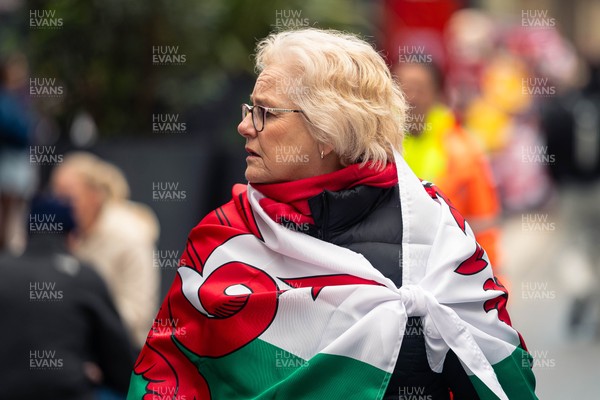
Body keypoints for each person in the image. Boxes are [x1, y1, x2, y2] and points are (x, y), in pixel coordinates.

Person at [128, 28, 536, 400]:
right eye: (249, 109)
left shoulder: (437, 231)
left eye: (265, 113)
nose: (245, 127)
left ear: (328, 131)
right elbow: (164, 375)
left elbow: (501, 370)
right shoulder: (221, 237)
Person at [0, 195, 134, 399]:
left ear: (26, 233)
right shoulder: (84, 276)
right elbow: (120, 360)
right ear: (72, 236)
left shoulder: (4, 269)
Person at [394, 61, 503, 269]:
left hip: (450, 271)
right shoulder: (377, 148)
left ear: (437, 95)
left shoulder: (465, 151)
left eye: (418, 88)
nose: (410, 97)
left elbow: (484, 221)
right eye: (401, 89)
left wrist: (492, 284)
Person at [51, 152, 160, 349]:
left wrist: (80, 316)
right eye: (55, 195)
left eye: (67, 195)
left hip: (126, 354)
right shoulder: (67, 234)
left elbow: (139, 313)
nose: (58, 205)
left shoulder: (130, 235)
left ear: (94, 196)